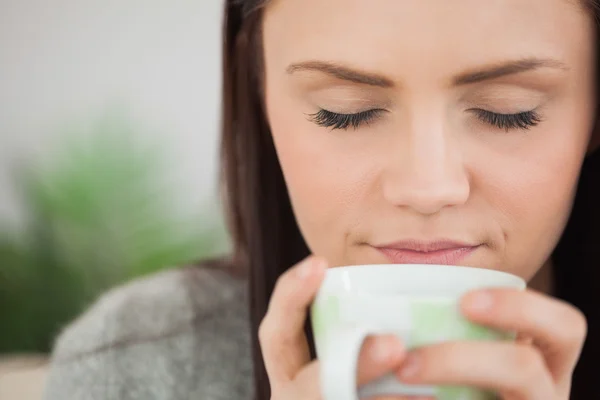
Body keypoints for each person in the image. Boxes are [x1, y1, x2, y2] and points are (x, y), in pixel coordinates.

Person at [42, 0, 600, 399]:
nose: (427, 188)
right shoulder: (135, 364)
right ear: (259, 96)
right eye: (345, 111)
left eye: (510, 111)